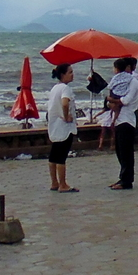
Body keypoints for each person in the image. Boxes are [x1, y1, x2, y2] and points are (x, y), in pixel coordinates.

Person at [106, 57, 138, 190]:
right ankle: (122, 177)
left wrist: (111, 100)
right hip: (119, 120)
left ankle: (127, 181)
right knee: (119, 151)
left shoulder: (134, 82)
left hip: (128, 120)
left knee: (126, 152)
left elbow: (126, 100)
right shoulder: (120, 82)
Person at [46, 62, 78, 193]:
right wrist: (66, 116)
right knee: (61, 156)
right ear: (62, 75)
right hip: (64, 127)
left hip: (54, 126)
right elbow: (65, 103)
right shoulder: (65, 88)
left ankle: (54, 182)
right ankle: (63, 184)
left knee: (54, 155)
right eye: (70, 72)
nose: (72, 74)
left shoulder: (55, 88)